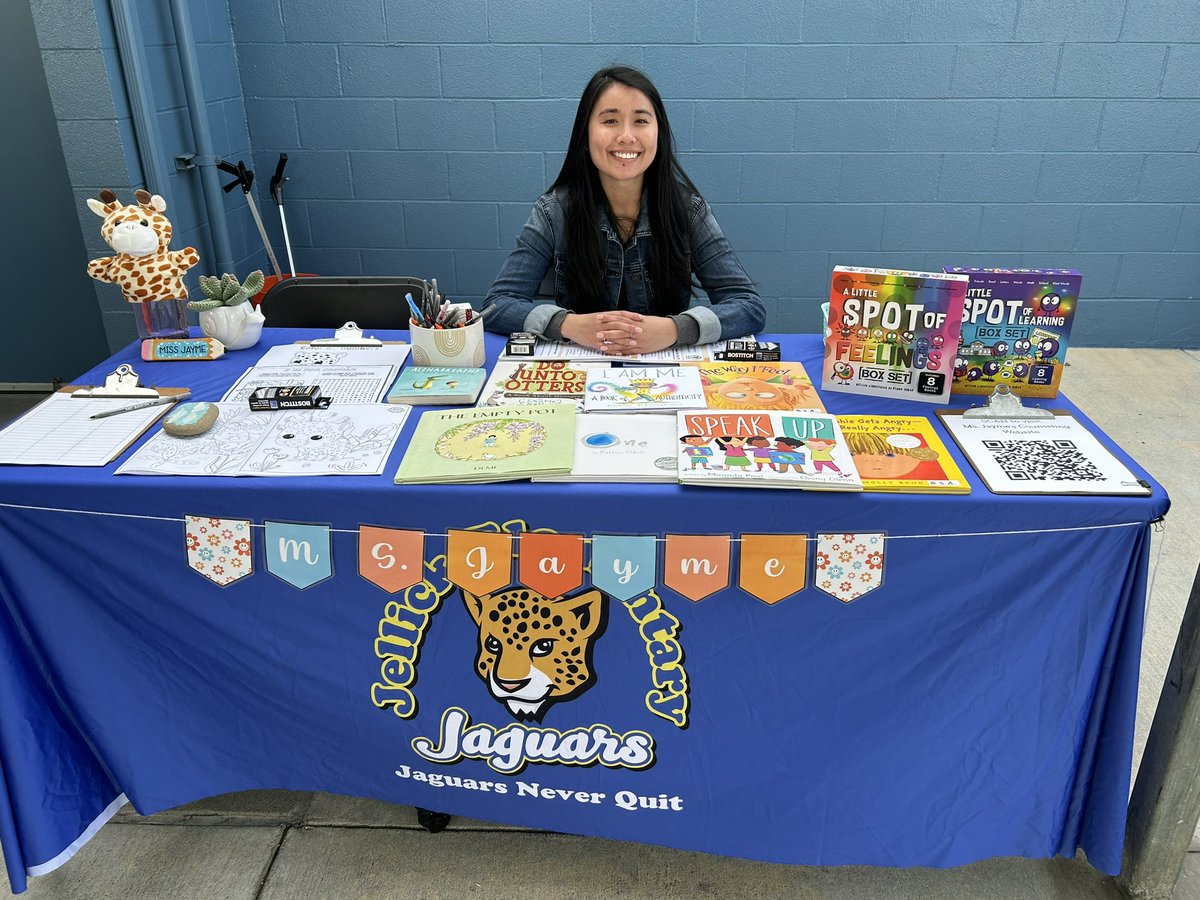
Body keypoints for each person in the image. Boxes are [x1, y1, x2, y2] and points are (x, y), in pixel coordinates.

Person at [483, 66, 765, 355]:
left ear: (659, 133)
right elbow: (497, 305)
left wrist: (673, 330)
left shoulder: (688, 211)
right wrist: (570, 325)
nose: (626, 136)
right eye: (610, 120)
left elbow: (748, 306)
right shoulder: (553, 212)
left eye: (641, 120)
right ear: (585, 134)